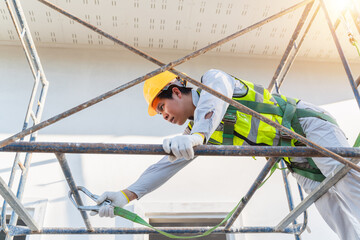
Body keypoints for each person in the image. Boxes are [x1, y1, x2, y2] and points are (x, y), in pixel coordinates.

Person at [93, 69, 360, 239]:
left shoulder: (213, 80)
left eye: (163, 107)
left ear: (176, 91)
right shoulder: (196, 132)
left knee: (346, 182)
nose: (164, 116)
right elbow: (166, 165)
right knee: (330, 208)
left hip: (307, 127)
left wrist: (198, 135)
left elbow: (215, 99)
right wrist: (127, 195)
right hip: (294, 156)